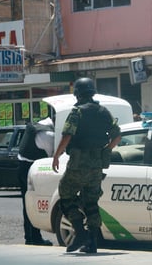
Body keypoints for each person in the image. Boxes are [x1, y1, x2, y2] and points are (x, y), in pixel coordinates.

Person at [52, 77, 121, 253]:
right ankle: (92, 242)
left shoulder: (77, 112)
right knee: (91, 202)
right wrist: (105, 150)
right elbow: (117, 136)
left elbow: (67, 135)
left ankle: (80, 232)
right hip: (96, 166)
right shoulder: (104, 111)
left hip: (78, 164)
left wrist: (57, 155)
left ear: (77, 94)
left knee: (65, 194)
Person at [18, 116, 54, 246]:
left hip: (21, 165)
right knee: (34, 203)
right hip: (31, 169)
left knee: (27, 203)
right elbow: (53, 157)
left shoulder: (37, 124)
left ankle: (30, 237)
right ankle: (35, 238)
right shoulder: (49, 135)